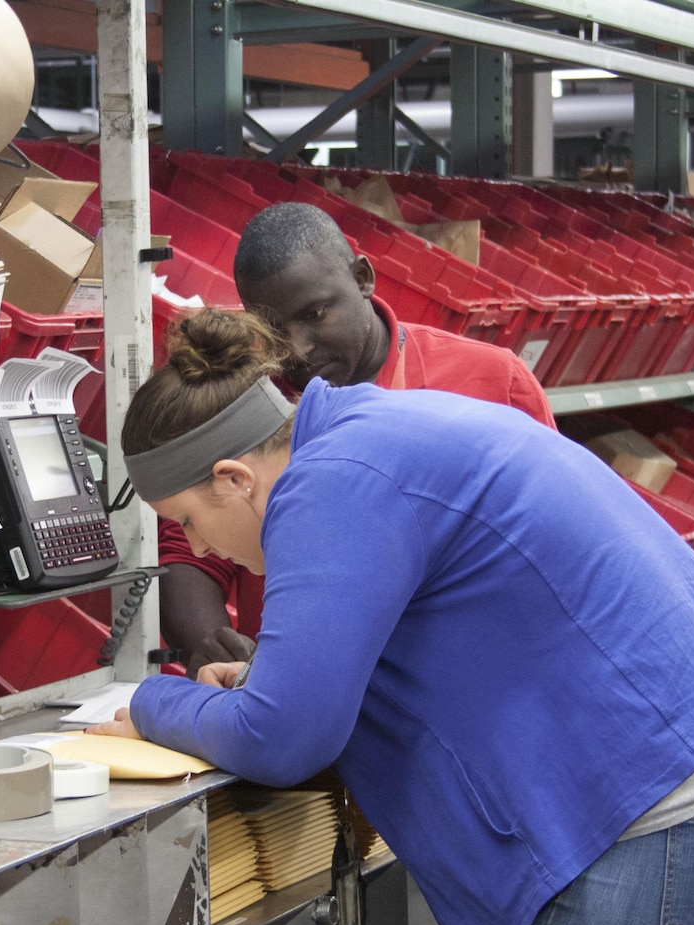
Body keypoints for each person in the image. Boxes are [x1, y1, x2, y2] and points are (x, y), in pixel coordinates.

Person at [92, 308, 694, 925]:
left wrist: (157, 703)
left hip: (682, 817)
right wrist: (267, 679)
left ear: (234, 479)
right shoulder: (377, 430)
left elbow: (284, 737)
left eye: (190, 522)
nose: (208, 550)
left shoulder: (329, 484)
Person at [160, 202, 555, 675]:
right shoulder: (249, 402)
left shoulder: (491, 381)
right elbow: (190, 550)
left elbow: (543, 545)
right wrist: (211, 643)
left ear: (363, 278)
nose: (299, 348)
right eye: (273, 330)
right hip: (297, 687)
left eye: (316, 313)